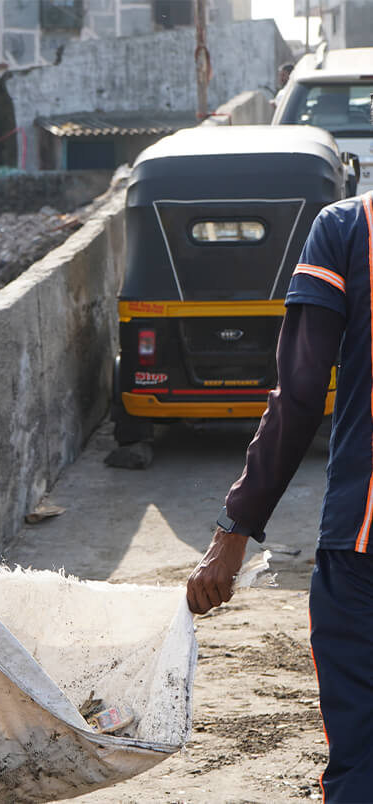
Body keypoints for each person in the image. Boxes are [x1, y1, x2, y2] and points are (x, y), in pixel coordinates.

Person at [186, 95, 373, 802]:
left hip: (362, 550)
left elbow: (297, 395)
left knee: (359, 759)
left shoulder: (347, 228)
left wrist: (232, 533)